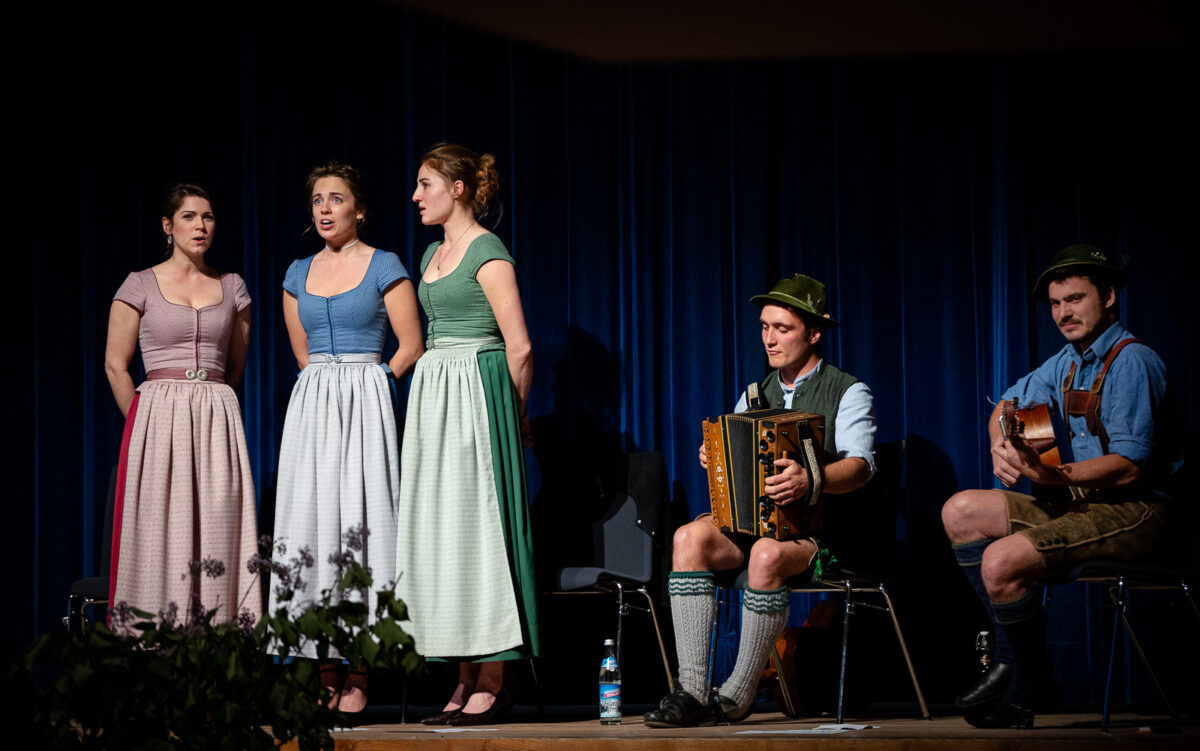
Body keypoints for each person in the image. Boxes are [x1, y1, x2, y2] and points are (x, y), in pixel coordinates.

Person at [941, 245, 1181, 728]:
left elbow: (1131, 466)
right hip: (1084, 505)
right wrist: (1000, 448)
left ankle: (1025, 683)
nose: (1063, 314)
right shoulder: (1069, 361)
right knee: (960, 510)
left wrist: (1055, 476)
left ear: (1108, 296)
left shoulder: (1132, 361)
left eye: (1074, 299)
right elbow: (1007, 404)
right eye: (1055, 304)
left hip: (1137, 511)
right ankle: (1027, 670)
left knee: (1001, 559)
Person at [644, 274, 876, 728]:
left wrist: (810, 479)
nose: (769, 339)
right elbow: (737, 468)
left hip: (819, 536)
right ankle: (691, 690)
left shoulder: (848, 391)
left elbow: (861, 467)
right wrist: (715, 459)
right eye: (765, 327)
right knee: (689, 537)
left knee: (766, 556)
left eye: (782, 329)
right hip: (756, 528)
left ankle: (736, 693)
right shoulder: (755, 395)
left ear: (813, 333)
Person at [270, 162, 423, 712]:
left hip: (366, 396)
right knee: (312, 524)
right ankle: (322, 668)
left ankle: (359, 669)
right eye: (317, 200)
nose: (325, 209)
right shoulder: (295, 273)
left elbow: (410, 345)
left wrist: (376, 382)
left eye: (336, 199)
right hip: (313, 402)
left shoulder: (385, 265)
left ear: (359, 209)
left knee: (362, 522)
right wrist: (324, 387)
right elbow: (302, 353)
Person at [396, 142, 539, 726]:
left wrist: (514, 415)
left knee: (482, 533)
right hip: (436, 399)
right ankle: (460, 674)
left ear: (457, 189)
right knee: (445, 536)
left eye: (425, 184)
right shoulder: (433, 251)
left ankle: (495, 676)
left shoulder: (488, 251)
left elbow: (520, 345)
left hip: (478, 394)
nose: (415, 195)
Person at [105, 183, 261, 628]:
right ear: (167, 226)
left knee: (218, 529)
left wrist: (215, 409)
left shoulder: (232, 287)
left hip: (215, 416)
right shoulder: (140, 283)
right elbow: (116, 365)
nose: (201, 226)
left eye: (208, 217)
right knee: (160, 533)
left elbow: (235, 367)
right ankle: (155, 641)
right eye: (190, 217)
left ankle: (220, 635)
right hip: (158, 417)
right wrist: (141, 422)